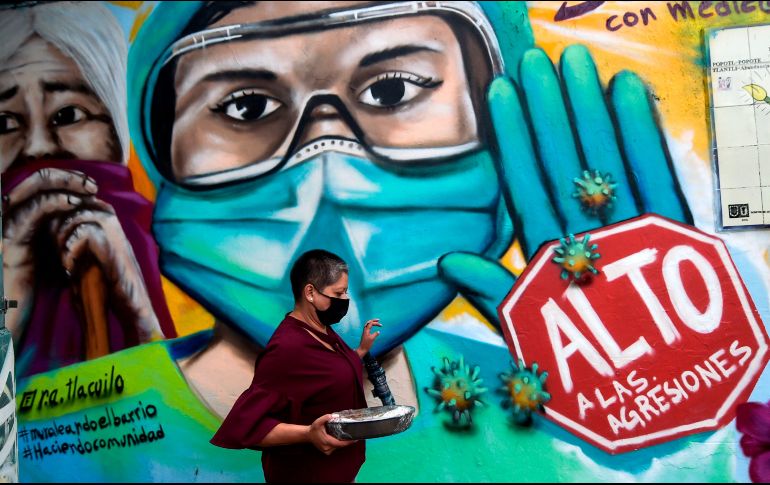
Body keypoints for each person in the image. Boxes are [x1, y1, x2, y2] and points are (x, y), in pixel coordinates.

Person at [0, 1, 174, 376]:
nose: (37, 148)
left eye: (68, 114)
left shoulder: (185, 266)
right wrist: (10, 291)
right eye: (4, 123)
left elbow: (187, 422)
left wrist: (140, 314)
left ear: (118, 130)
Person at [211, 249, 381, 483]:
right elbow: (248, 426)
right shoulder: (287, 349)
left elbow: (328, 372)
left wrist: (360, 350)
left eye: (346, 292)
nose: (344, 301)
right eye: (338, 293)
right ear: (310, 292)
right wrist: (308, 434)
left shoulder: (321, 330)